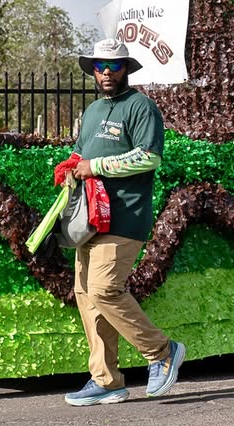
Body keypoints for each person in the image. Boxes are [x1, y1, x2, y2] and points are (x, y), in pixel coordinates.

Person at [63, 38, 186, 406]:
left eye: (113, 66)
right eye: (100, 66)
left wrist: (95, 166)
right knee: (87, 297)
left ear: (126, 69)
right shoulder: (93, 111)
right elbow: (82, 153)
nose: (105, 72)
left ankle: (162, 352)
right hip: (90, 220)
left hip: (125, 216)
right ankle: (107, 380)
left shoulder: (141, 107)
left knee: (104, 289)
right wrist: (71, 167)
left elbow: (148, 157)